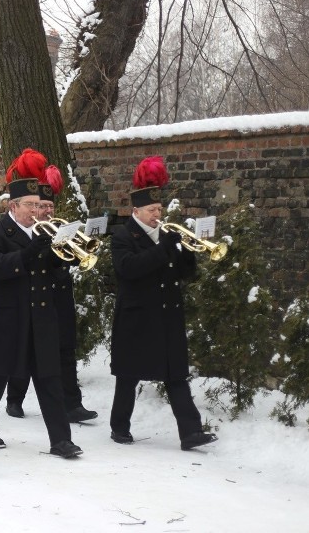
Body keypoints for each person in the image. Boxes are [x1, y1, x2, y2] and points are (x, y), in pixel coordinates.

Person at [0, 148, 83, 459]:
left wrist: (67, 255)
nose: (38, 211)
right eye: (31, 206)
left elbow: (56, 272)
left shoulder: (44, 232)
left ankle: (61, 440)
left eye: (39, 205)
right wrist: (30, 251)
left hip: (42, 317)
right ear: (13, 206)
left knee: (49, 378)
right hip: (9, 317)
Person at [110, 156, 218, 451]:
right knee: (128, 377)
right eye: (151, 210)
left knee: (176, 376)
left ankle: (191, 433)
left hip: (168, 316)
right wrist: (164, 249)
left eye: (159, 209)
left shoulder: (166, 236)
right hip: (137, 318)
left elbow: (186, 275)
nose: (157, 214)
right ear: (136, 211)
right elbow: (128, 269)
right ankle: (119, 427)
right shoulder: (123, 237)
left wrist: (187, 253)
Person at [5, 165, 99, 424]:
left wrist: (78, 251)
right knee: (26, 352)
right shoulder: (27, 235)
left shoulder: (60, 230)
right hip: (34, 301)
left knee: (66, 350)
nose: (44, 211)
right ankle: (15, 397)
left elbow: (70, 262)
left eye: (49, 207)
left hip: (60, 298)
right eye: (40, 206)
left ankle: (72, 404)